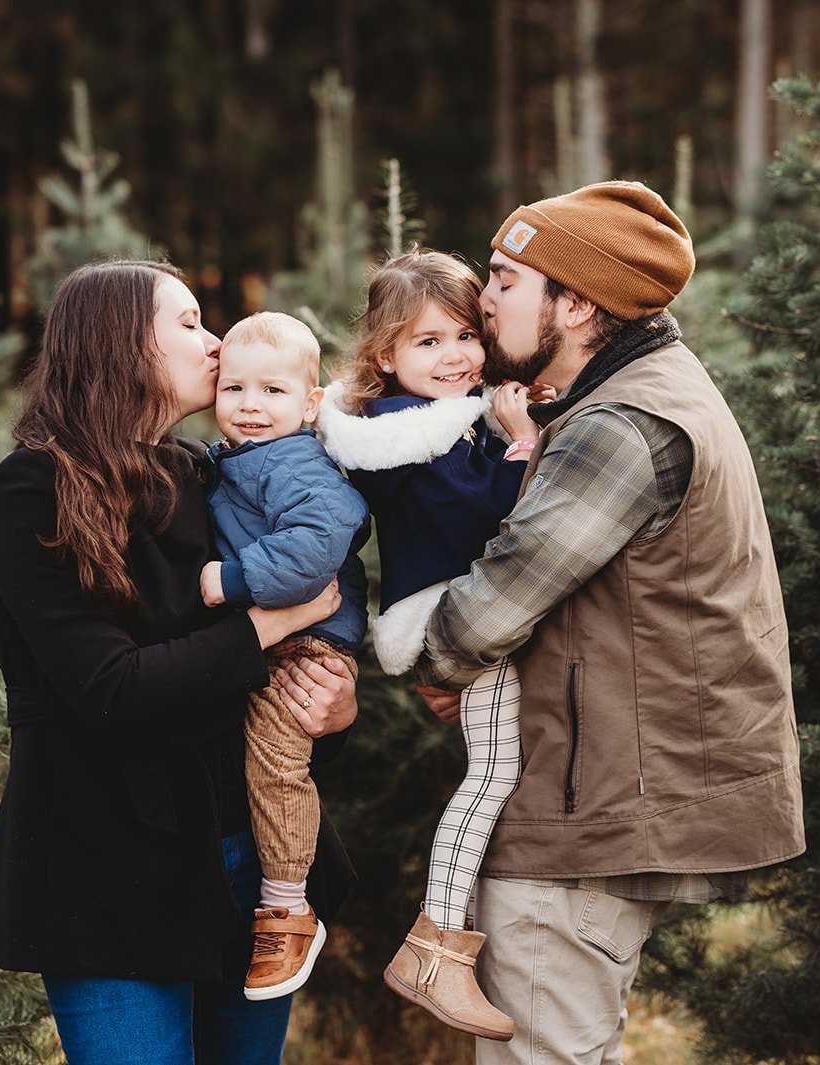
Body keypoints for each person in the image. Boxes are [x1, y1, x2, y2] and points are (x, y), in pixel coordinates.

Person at [411, 182, 806, 1065]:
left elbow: (484, 615)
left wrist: (431, 658)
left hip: (583, 814)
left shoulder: (621, 423)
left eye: (508, 278)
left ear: (576, 301)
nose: (485, 297)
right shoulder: (640, 391)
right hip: (605, 797)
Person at [0, 261, 360, 1065]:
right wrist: (269, 621)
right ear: (121, 348)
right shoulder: (32, 490)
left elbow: (270, 677)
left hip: (242, 863)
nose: (216, 345)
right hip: (108, 873)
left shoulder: (205, 476)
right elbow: (112, 689)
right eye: (188, 325)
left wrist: (332, 707)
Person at [314, 251, 541, 1042]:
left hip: (451, 602)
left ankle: (451, 932)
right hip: (442, 607)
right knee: (495, 768)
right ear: (386, 356)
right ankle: (435, 944)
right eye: (428, 342)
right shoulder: (412, 434)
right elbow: (482, 521)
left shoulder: (433, 417)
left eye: (465, 336)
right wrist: (522, 445)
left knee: (498, 761)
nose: (455, 356)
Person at [198, 310, 370, 1001]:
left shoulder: (293, 461)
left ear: (312, 402)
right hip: (276, 633)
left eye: (272, 391)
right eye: (235, 388)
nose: (250, 405)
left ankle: (287, 906)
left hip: (307, 641)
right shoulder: (236, 460)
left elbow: (320, 539)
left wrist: (230, 580)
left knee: (274, 764)